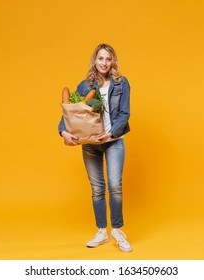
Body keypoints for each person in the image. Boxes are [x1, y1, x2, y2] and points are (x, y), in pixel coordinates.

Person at [58, 43, 132, 252]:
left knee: (115, 186)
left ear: (113, 61)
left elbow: (125, 113)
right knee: (97, 188)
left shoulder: (121, 83)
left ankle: (117, 230)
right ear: (95, 60)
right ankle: (101, 231)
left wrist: (110, 133)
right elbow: (70, 111)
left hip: (113, 141)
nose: (104, 63)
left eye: (108, 59)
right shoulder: (85, 85)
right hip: (90, 143)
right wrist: (63, 131)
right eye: (101, 58)